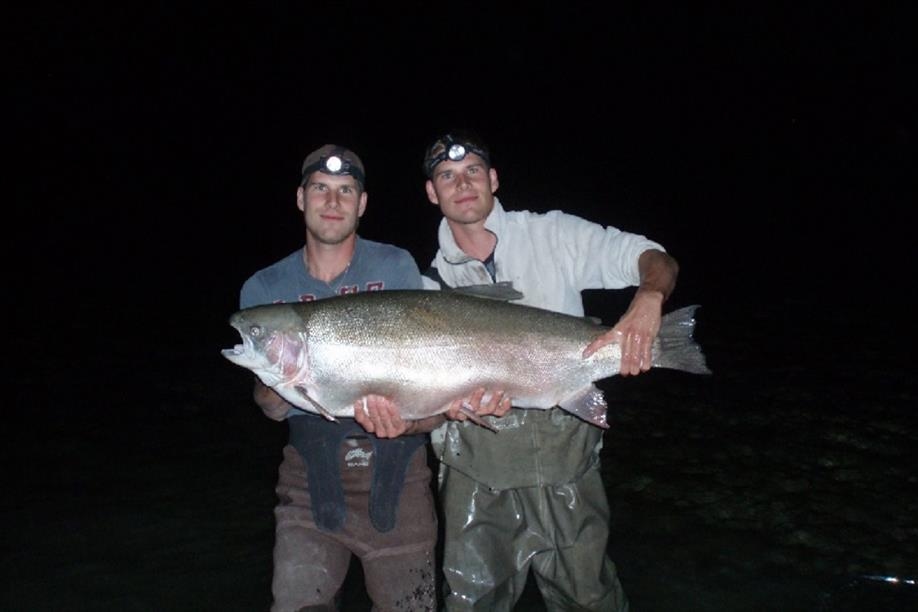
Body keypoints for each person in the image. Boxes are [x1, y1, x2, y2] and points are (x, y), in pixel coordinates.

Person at [357, 130, 679, 611]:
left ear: (493, 179)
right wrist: (449, 410)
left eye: (472, 172)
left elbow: (657, 260)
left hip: (565, 456)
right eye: (446, 176)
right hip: (475, 469)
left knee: (588, 598)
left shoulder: (555, 234)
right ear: (431, 192)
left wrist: (650, 300)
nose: (462, 184)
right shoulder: (426, 287)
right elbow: (428, 403)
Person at [237, 144, 438, 612]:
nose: (332, 202)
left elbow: (426, 368)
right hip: (307, 478)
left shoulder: (395, 267)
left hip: (399, 475)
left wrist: (412, 422)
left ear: (362, 204)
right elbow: (268, 406)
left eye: (346, 190)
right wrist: (273, 386)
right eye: (320, 189)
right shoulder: (263, 289)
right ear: (301, 199)